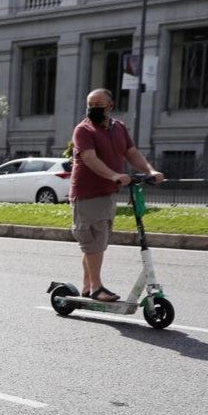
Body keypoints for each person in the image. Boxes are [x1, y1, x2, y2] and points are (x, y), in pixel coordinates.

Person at [70, 89, 164, 302]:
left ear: (110, 106)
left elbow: (131, 153)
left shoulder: (119, 127)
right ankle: (96, 287)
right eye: (90, 105)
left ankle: (87, 286)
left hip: (108, 193)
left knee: (98, 242)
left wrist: (150, 171)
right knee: (92, 242)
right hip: (87, 193)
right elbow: (90, 158)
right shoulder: (83, 130)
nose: (93, 109)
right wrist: (114, 175)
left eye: (98, 105)